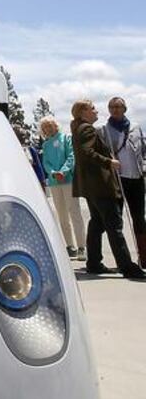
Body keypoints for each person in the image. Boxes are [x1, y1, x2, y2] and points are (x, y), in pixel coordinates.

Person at [70, 100, 145, 280]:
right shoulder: (87, 129)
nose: (97, 111)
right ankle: (127, 266)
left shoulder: (78, 128)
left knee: (97, 224)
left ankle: (94, 263)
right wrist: (108, 162)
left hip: (91, 186)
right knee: (114, 225)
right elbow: (86, 152)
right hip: (101, 185)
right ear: (83, 112)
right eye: (93, 108)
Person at [101, 97, 146, 268]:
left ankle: (144, 256)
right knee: (117, 220)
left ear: (125, 108)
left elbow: (142, 150)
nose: (115, 109)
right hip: (118, 179)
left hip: (136, 177)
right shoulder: (104, 130)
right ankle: (124, 260)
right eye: (112, 107)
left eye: (118, 106)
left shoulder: (135, 128)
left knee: (139, 218)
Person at [39, 115, 86, 259]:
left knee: (74, 212)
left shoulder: (66, 138)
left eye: (50, 125)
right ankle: (69, 245)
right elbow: (46, 162)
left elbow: (71, 156)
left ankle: (81, 246)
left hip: (68, 180)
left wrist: (64, 171)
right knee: (62, 215)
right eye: (45, 127)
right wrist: (53, 173)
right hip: (54, 182)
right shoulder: (45, 145)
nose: (48, 128)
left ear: (55, 125)